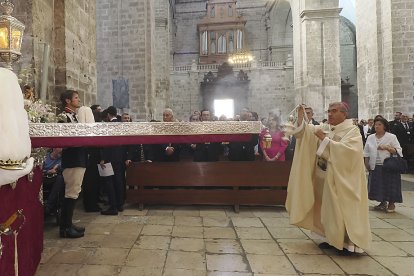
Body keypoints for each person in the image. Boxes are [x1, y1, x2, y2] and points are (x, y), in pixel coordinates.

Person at [285, 102, 371, 254]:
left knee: (342, 211)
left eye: (334, 111)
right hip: (327, 179)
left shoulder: (352, 131)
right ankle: (332, 239)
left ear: (344, 114)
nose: (330, 114)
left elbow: (348, 153)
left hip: (344, 182)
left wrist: (323, 138)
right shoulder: (328, 128)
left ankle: (348, 244)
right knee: (328, 210)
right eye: (329, 111)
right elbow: (305, 133)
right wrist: (301, 117)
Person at [59, 91, 94, 238]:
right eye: (75, 98)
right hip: (72, 159)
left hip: (78, 157)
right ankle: (65, 228)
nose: (78, 100)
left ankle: (69, 224)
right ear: (67, 100)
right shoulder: (63, 117)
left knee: (75, 191)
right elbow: (63, 139)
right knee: (71, 193)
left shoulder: (74, 116)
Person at [364, 117, 403, 213]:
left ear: (384, 126)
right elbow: (366, 152)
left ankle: (391, 203)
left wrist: (387, 148)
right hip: (375, 165)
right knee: (378, 185)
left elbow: (398, 150)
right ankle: (382, 202)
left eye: (379, 125)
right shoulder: (370, 137)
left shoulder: (391, 137)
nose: (377, 126)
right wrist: (366, 162)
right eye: (375, 125)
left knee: (390, 184)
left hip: (388, 165)